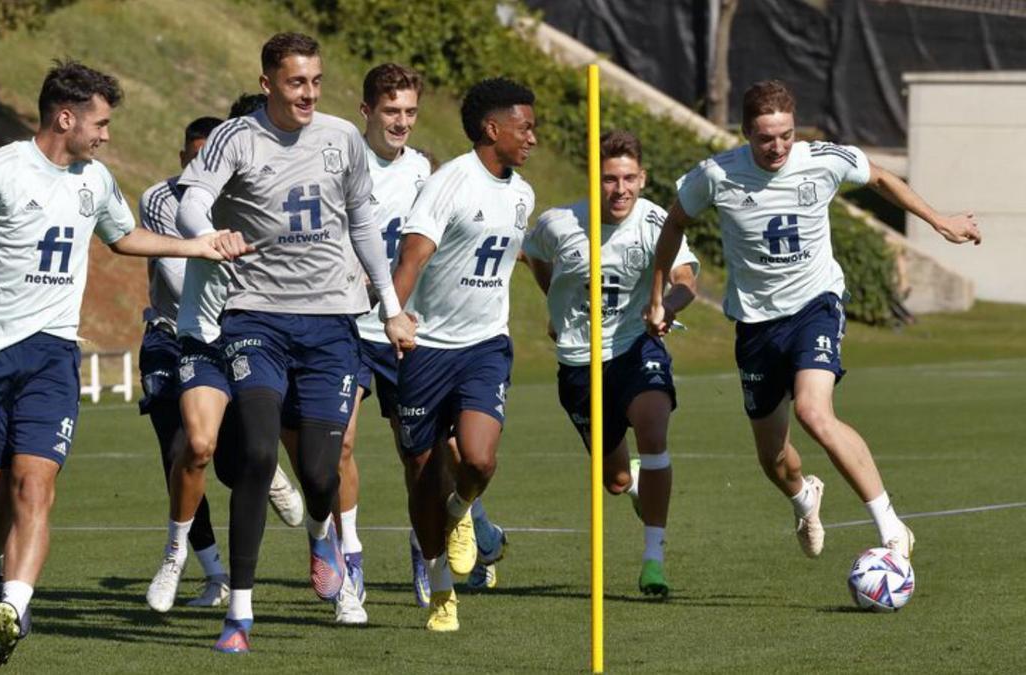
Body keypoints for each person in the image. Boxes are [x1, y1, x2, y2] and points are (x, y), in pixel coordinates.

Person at [0, 61, 251, 665]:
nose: (107, 134)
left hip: (53, 354)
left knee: (37, 487)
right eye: (101, 122)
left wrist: (194, 245)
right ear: (66, 118)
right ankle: (1, 572)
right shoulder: (5, 165)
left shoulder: (96, 180)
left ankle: (14, 604)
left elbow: (121, 237)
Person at [645, 79, 982, 563]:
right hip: (757, 326)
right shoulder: (715, 175)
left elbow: (883, 178)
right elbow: (674, 223)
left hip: (815, 305)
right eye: (765, 137)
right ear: (745, 133)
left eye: (785, 134)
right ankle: (804, 497)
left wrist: (939, 221)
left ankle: (891, 528)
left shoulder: (822, 159)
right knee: (773, 459)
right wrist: (658, 297)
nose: (777, 146)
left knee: (814, 412)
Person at [173, 33, 415, 653]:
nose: (308, 93)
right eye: (295, 82)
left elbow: (362, 222)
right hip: (256, 318)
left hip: (334, 323)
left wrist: (391, 308)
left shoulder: (341, 140)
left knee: (319, 471)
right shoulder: (237, 138)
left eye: (315, 81)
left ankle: (318, 535)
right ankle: (240, 616)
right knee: (256, 453)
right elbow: (192, 201)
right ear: (267, 84)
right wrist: (210, 234)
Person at [138, 113, 304, 613]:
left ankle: (267, 469)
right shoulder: (161, 199)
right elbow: (174, 273)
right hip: (176, 336)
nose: (198, 167)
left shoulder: (253, 198)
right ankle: (195, 566)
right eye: (191, 157)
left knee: (235, 462)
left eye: (206, 158)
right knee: (186, 448)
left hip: (246, 333)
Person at [524, 130, 698, 597]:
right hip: (579, 363)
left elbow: (685, 280)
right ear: (593, 180)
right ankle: (636, 480)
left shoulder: (656, 221)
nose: (619, 189)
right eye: (608, 179)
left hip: (635, 347)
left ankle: (653, 559)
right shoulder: (559, 223)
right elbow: (534, 256)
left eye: (628, 179)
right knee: (617, 481)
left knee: (654, 429)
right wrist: (556, 306)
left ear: (641, 178)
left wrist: (667, 306)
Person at [391, 77, 536, 631]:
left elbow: (516, 253)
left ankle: (461, 512)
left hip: (485, 346)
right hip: (427, 348)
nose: (533, 138)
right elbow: (412, 258)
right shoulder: (449, 183)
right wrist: (391, 319)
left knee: (477, 460)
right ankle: (442, 590)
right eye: (525, 127)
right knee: (425, 473)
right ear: (491, 129)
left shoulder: (522, 192)